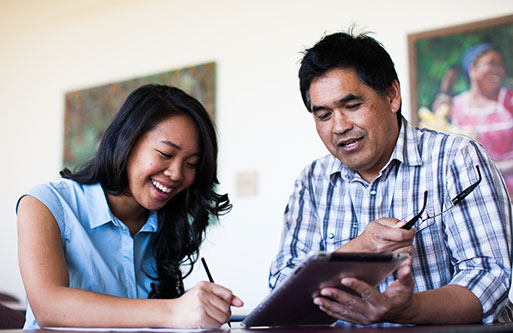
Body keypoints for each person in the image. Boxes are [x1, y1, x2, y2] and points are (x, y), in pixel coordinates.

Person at [269, 31, 512, 326]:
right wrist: (359, 249)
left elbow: (489, 277)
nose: (339, 126)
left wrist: (410, 309)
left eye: (352, 106)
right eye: (324, 116)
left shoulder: (456, 157)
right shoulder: (312, 181)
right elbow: (282, 289)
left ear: (392, 95)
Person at [17, 84, 243, 329]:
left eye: (191, 164)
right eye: (165, 154)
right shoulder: (45, 204)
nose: (177, 174)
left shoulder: (167, 224)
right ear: (126, 142)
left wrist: (202, 311)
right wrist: (173, 311)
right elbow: (49, 307)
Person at [435, 43, 513, 195]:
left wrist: (496, 168)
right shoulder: (455, 106)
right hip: (475, 191)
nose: (499, 70)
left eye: (501, 65)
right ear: (473, 69)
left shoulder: (509, 100)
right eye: (492, 63)